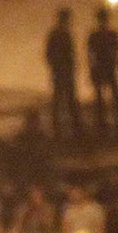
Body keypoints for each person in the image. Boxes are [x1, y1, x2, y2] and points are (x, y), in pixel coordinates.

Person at [44, 8, 81, 140]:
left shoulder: (57, 34)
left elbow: (48, 54)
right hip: (63, 71)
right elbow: (68, 54)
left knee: (60, 99)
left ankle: (59, 128)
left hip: (60, 71)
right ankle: (73, 128)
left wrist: (55, 66)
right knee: (67, 99)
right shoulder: (62, 34)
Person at [86, 9, 118, 137]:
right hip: (108, 68)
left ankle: (102, 121)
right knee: (113, 95)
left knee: (100, 96)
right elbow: (116, 51)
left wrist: (91, 68)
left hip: (101, 68)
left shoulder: (94, 35)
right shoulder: (112, 34)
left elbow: (90, 54)